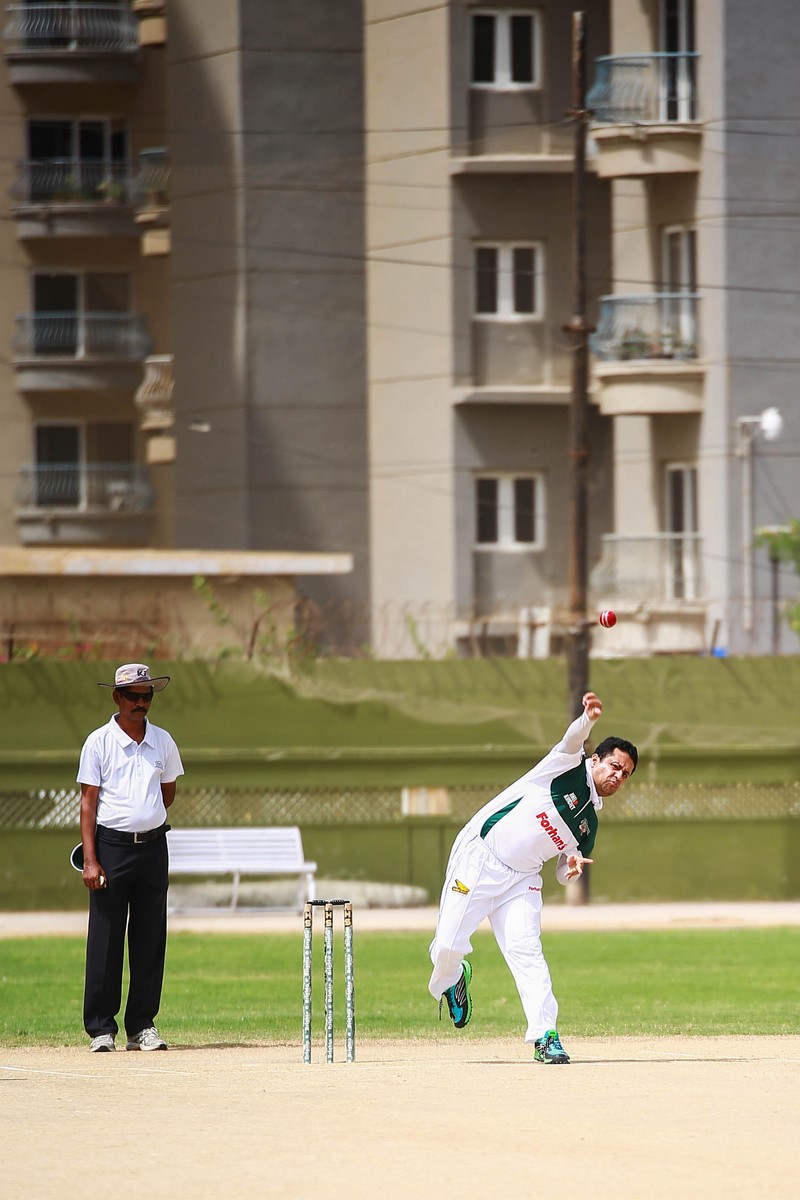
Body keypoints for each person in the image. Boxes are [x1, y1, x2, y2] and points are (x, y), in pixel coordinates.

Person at [428, 691, 637, 1064]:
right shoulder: (564, 766)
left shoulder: (588, 826)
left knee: (528, 953)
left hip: (522, 879)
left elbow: (562, 871)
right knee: (446, 945)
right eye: (614, 766)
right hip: (480, 856)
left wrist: (570, 868)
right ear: (596, 759)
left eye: (625, 774)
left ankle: (545, 1036)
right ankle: (454, 977)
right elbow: (572, 738)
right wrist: (588, 719)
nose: (617, 776)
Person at [78, 663, 184, 1052]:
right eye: (134, 696)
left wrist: (146, 816)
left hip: (153, 848)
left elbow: (167, 793)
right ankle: (101, 1028)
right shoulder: (99, 742)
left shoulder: (163, 741)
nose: (141, 703)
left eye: (147, 696)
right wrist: (91, 860)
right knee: (106, 937)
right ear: (117, 697)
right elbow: (87, 804)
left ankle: (141, 1025)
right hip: (112, 847)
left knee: (150, 937)